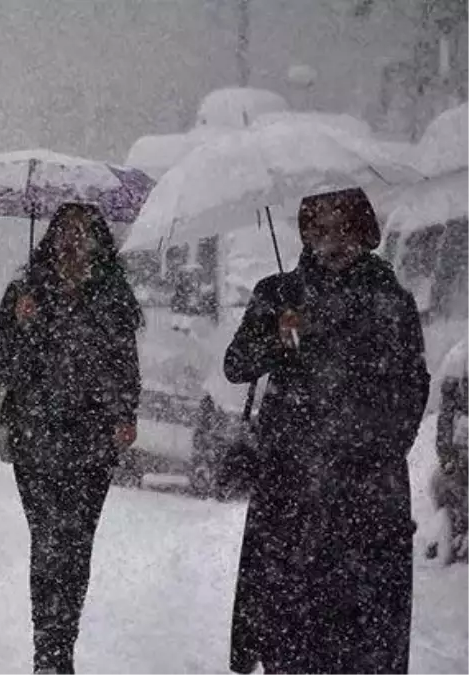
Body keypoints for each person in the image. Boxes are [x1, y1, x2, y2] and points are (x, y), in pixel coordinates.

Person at [223, 187, 429, 674]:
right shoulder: (278, 294)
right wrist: (278, 336)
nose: (333, 240)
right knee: (289, 626)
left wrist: (379, 444)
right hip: (292, 486)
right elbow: (236, 365)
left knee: (364, 633)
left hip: (367, 491)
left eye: (344, 227)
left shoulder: (391, 300)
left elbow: (412, 385)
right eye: (320, 228)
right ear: (305, 234)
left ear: (364, 232)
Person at [0, 202, 142, 675]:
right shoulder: (24, 292)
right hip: (35, 435)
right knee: (49, 540)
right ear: (50, 238)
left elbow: (125, 366)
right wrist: (24, 325)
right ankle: (47, 653)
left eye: (84, 232)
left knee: (76, 545)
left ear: (99, 241)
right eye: (65, 231)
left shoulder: (112, 297)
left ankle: (62, 645)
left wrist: (124, 414)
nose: (73, 241)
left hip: (92, 439)